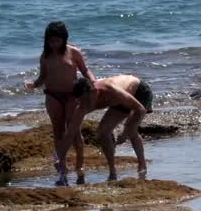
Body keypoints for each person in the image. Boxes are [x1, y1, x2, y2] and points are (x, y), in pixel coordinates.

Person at [25, 21, 95, 186]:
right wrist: (33, 84)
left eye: (57, 41)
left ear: (64, 39)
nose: (54, 44)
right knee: (58, 131)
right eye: (51, 41)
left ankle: (80, 165)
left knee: (74, 131)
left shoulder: (74, 52)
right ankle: (62, 169)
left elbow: (85, 70)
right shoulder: (45, 56)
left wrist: (92, 81)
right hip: (52, 96)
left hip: (72, 96)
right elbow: (43, 77)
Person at [67, 74, 153, 182]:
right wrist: (60, 159)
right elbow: (70, 133)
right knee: (102, 133)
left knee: (131, 130)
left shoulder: (111, 90)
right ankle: (112, 171)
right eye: (81, 101)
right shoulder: (84, 103)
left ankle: (142, 165)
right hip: (119, 101)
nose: (86, 104)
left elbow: (140, 109)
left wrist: (125, 132)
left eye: (87, 100)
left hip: (139, 92)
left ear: (94, 92)